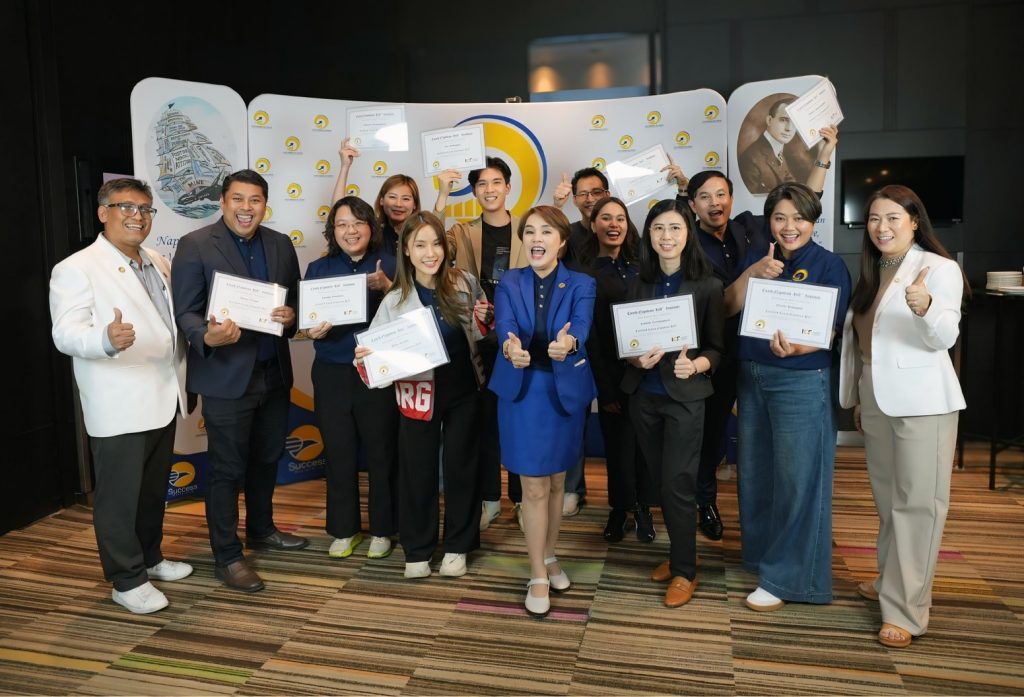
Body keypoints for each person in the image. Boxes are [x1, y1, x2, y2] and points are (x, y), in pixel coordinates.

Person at [680, 137, 836, 541]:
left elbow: (803, 203)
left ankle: (779, 521)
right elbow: (722, 307)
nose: (715, 202)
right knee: (711, 434)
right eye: (704, 197)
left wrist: (823, 157)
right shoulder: (686, 245)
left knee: (764, 444)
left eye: (721, 194)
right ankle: (706, 502)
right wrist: (753, 274)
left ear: (731, 198)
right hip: (715, 354)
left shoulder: (751, 226)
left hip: (761, 355)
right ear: (692, 204)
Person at [49, 178, 192, 614]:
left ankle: (149, 557)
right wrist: (105, 339)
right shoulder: (76, 267)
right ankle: (126, 580)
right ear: (103, 213)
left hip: (163, 396)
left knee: (151, 493)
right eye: (126, 207)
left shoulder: (157, 260)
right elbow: (65, 333)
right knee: (118, 499)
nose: (137, 216)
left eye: (145, 209)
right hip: (119, 401)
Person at [839, 185, 969, 648]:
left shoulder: (939, 268)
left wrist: (926, 307)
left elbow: (945, 337)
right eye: (874, 218)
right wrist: (860, 398)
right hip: (876, 399)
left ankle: (906, 610)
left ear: (915, 221)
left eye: (893, 217)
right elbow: (867, 343)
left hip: (923, 403)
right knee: (889, 501)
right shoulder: (872, 270)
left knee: (918, 506)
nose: (882, 227)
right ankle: (890, 581)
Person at [172, 169, 307, 594]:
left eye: (255, 200)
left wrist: (292, 316)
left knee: (267, 459)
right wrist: (205, 336)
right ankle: (227, 556)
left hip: (274, 373)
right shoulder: (195, 244)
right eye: (238, 199)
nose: (246, 208)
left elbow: (295, 303)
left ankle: (262, 530)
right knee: (227, 470)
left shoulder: (280, 244)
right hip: (226, 376)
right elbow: (185, 310)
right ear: (223, 201)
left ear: (265, 205)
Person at [724, 182, 851, 611]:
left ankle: (792, 579)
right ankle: (764, 559)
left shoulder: (830, 265)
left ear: (813, 221)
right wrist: (752, 274)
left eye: (799, 218)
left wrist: (798, 348)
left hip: (801, 379)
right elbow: (725, 306)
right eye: (780, 218)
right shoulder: (759, 258)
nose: (789, 226)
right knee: (756, 474)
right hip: (753, 376)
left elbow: (831, 331)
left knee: (800, 480)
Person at [356, 212, 491, 580]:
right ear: (407, 251)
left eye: (436, 244)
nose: (430, 253)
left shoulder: (464, 281)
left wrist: (487, 318)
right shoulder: (394, 299)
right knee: (417, 472)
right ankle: (417, 549)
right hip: (417, 394)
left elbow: (483, 331)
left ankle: (458, 547)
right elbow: (376, 359)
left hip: (464, 388)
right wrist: (366, 359)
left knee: (462, 469)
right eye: (420, 245)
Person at [489, 205, 597, 618]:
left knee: (556, 483)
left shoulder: (582, 283)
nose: (537, 239)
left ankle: (550, 555)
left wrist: (569, 343)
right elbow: (505, 325)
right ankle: (537, 573)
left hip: (562, 391)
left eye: (547, 232)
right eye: (530, 231)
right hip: (523, 392)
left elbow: (581, 325)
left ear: (562, 241)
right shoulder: (510, 281)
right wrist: (509, 346)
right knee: (532, 487)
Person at [621, 199, 724, 608]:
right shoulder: (638, 284)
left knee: (679, 484)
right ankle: (680, 554)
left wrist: (696, 365)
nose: (667, 236)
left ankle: (685, 571)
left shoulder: (708, 285)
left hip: (684, 400)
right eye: (659, 228)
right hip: (644, 398)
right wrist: (635, 359)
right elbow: (626, 344)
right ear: (649, 234)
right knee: (662, 482)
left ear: (688, 234)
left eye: (675, 228)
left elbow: (717, 348)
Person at [433, 157, 529, 530]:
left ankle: (521, 498)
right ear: (473, 191)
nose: (490, 189)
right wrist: (442, 194)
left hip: (519, 338)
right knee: (485, 422)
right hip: (478, 339)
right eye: (482, 184)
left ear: (508, 187)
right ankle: (490, 498)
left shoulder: (527, 227)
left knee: (518, 422)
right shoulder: (462, 231)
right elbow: (431, 240)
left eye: (496, 182)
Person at [305, 196, 398, 560]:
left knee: (381, 451)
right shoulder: (318, 268)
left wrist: (387, 287)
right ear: (333, 231)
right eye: (342, 224)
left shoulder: (391, 263)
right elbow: (305, 323)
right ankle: (344, 529)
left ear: (371, 227)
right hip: (331, 371)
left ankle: (383, 529)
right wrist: (310, 330)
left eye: (358, 223)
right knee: (338, 451)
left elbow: (414, 314)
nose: (351, 231)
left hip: (377, 372)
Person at [581, 197, 655, 543]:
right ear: (593, 224)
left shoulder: (644, 266)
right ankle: (619, 508)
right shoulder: (584, 273)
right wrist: (606, 389)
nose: (614, 225)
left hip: (649, 373)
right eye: (606, 218)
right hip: (613, 376)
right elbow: (592, 338)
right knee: (619, 449)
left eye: (620, 218)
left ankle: (644, 508)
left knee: (647, 446)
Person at [332, 136, 420, 257]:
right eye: (392, 197)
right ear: (381, 200)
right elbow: (339, 212)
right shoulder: (372, 231)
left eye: (406, 199)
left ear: (415, 204)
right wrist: (345, 167)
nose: (398, 204)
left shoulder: (422, 231)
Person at [738, 99, 838, 195]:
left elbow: (801, 196)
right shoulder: (751, 159)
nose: (789, 128)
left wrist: (823, 152)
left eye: (794, 123)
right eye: (783, 120)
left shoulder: (778, 152)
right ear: (769, 120)